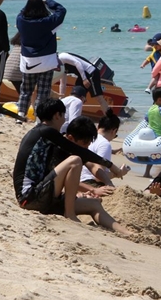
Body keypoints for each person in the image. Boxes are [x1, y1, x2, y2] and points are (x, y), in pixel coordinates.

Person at [12, 98, 131, 234]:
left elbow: (89, 163)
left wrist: (104, 183)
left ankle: (128, 233)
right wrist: (111, 167)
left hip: (45, 198)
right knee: (75, 160)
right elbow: (80, 153)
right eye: (64, 115)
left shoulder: (51, 140)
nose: (64, 120)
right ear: (57, 115)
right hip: (29, 197)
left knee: (94, 204)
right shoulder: (45, 132)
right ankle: (70, 214)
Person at [16, 0, 67, 121]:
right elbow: (62, 10)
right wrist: (48, 2)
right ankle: (39, 118)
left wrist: (30, 4)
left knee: (26, 90)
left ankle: (20, 115)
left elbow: (22, 12)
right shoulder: (48, 22)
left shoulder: (21, 20)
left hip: (28, 60)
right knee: (43, 91)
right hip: (46, 61)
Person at [79, 109, 122, 187]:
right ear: (114, 131)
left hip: (77, 180)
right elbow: (98, 176)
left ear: (98, 126)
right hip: (89, 182)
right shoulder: (104, 144)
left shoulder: (88, 137)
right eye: (115, 135)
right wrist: (117, 173)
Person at [143, 87, 161, 178]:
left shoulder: (150, 109)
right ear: (160, 100)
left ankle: (146, 172)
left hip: (151, 135)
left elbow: (146, 119)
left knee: (151, 155)